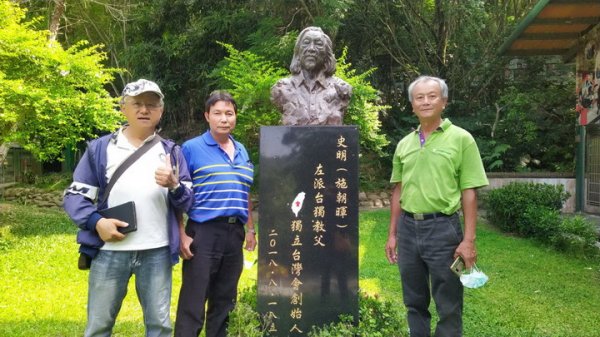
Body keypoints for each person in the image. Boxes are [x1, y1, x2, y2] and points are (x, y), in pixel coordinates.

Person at [63, 78, 193, 337]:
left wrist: (174, 185)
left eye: (151, 105)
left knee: (159, 326)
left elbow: (189, 199)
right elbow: (75, 196)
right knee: (99, 326)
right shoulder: (100, 149)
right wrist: (97, 223)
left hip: (156, 251)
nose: (144, 110)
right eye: (137, 104)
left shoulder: (171, 151)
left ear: (160, 111)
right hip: (109, 251)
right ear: (124, 108)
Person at [384, 76, 488, 337]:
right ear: (412, 105)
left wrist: (469, 240)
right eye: (419, 97)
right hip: (408, 230)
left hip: (443, 229)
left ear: (444, 101)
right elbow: (398, 191)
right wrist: (393, 234)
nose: (426, 101)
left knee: (449, 303)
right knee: (414, 301)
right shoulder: (404, 144)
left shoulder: (461, 139)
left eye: (432, 96)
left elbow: (469, 192)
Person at [175, 91, 257, 337]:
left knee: (225, 299)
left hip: (235, 233)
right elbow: (177, 193)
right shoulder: (191, 148)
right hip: (203, 233)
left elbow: (245, 192)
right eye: (218, 113)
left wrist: (250, 230)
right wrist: (181, 234)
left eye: (229, 113)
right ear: (207, 116)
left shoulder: (241, 150)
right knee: (194, 298)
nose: (224, 119)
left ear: (235, 117)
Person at [271, 26, 352, 126]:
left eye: (318, 44)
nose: (311, 49)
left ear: (327, 53)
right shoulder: (282, 88)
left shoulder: (340, 89)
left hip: (329, 140)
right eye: (306, 43)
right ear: (298, 51)